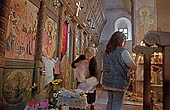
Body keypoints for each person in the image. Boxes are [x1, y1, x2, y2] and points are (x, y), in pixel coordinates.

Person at [102, 31, 136, 110]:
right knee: (117, 102)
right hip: (118, 81)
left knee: (110, 101)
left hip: (107, 80)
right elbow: (133, 66)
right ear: (121, 41)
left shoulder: (107, 51)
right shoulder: (123, 51)